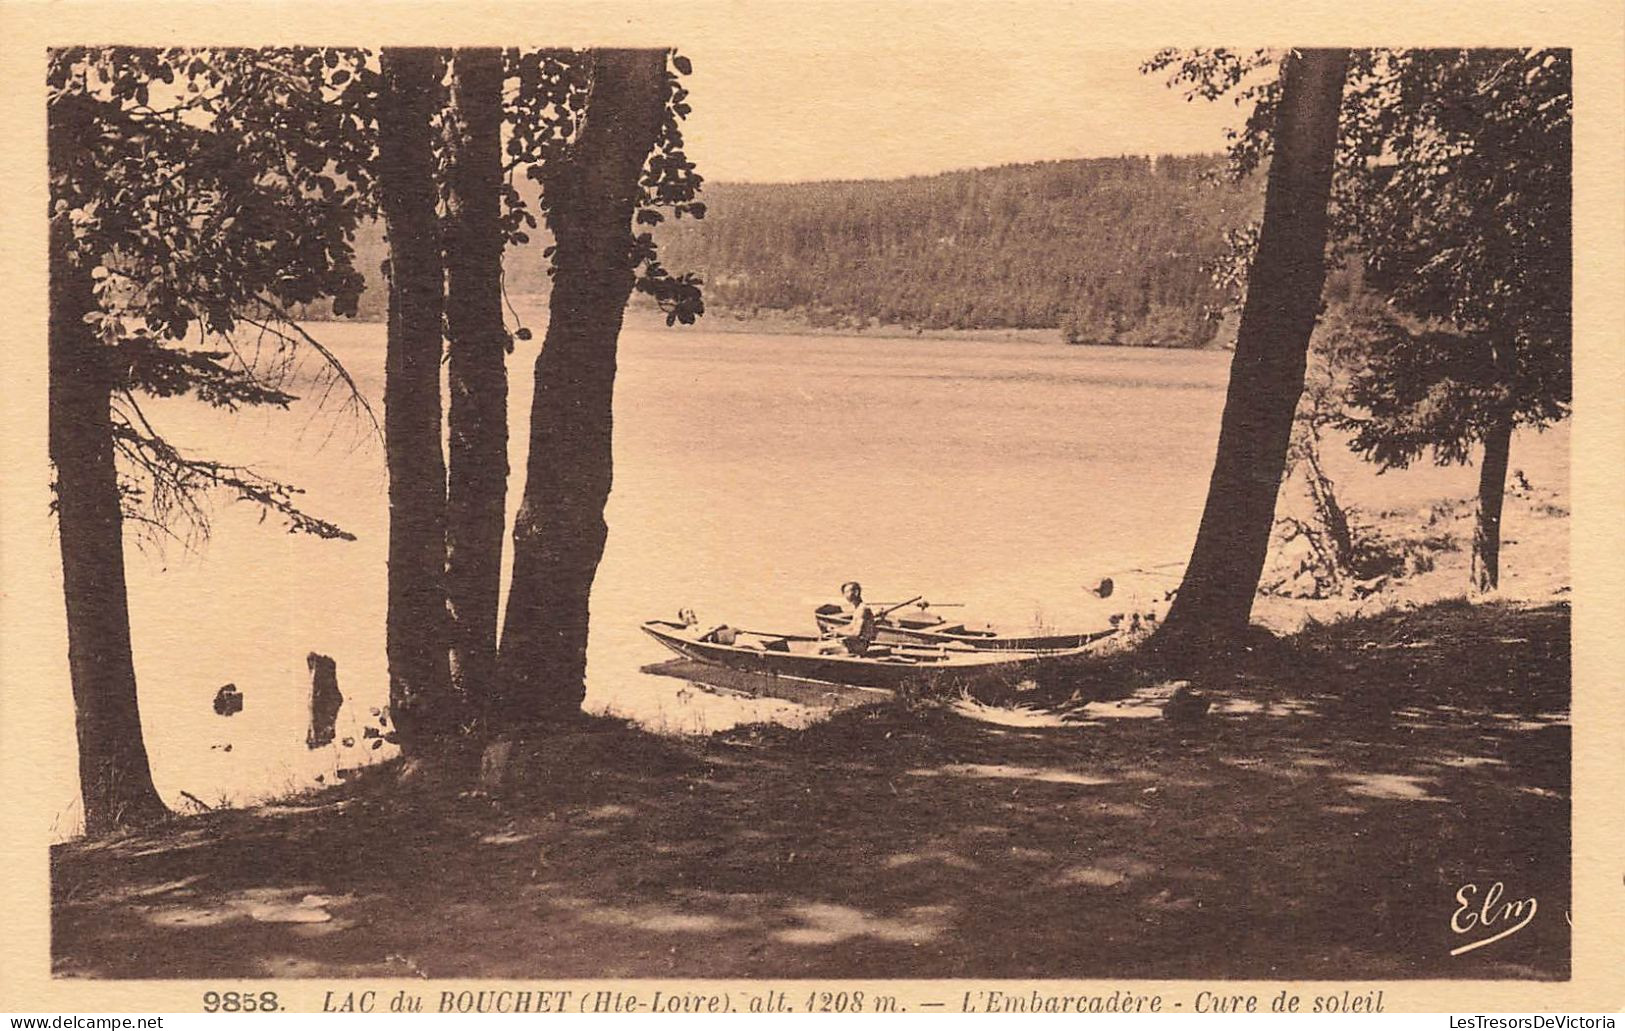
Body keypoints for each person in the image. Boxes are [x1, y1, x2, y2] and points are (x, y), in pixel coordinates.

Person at [822, 580, 878, 655]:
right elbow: (851, 626)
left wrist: (837, 632)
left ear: (856, 592)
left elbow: (856, 633)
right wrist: (836, 629)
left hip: (858, 646)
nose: (845, 595)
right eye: (844, 593)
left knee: (820, 648)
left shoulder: (863, 610)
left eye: (847, 592)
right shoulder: (858, 608)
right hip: (855, 643)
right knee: (824, 645)